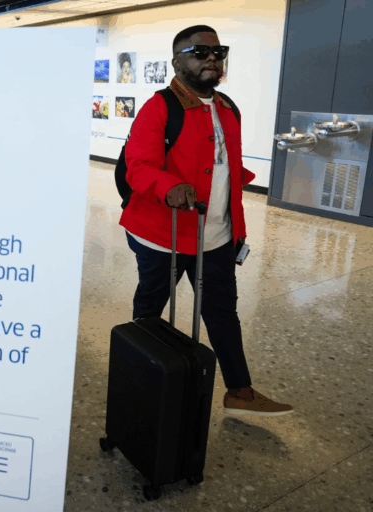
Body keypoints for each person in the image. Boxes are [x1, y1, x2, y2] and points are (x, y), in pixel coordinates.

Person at [118, 25, 293, 417]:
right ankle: (140, 380)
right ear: (177, 62)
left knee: (221, 311)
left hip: (216, 235)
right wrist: (169, 185)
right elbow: (139, 167)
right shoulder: (159, 106)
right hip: (165, 234)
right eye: (199, 52)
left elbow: (225, 165)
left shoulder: (228, 107)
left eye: (218, 51)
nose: (211, 58)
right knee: (149, 310)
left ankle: (240, 392)